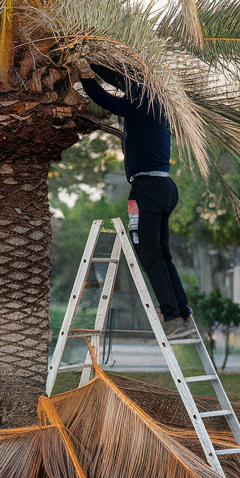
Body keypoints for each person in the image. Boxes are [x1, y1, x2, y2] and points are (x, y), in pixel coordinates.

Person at [74, 60, 194, 338]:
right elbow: (122, 82)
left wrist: (83, 74)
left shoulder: (140, 105)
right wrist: (92, 63)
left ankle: (173, 316)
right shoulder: (158, 106)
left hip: (147, 190)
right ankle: (183, 312)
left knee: (150, 254)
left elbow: (103, 98)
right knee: (163, 255)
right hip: (164, 186)